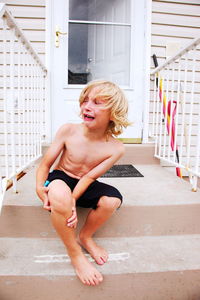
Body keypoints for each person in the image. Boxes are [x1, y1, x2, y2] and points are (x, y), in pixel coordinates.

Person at [36, 79, 130, 286]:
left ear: (113, 112)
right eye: (85, 100)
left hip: (83, 183)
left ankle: (85, 236)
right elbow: (45, 165)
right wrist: (39, 189)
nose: (87, 106)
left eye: (97, 102)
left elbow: (88, 177)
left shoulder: (116, 148)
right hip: (61, 176)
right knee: (60, 194)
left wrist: (73, 200)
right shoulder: (68, 130)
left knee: (111, 200)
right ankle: (75, 254)